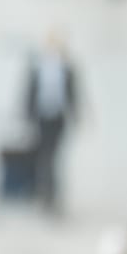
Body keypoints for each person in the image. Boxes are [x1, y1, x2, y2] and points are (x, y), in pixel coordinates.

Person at [23, 33, 81, 214]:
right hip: (41, 117)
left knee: (54, 157)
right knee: (42, 156)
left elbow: (73, 95)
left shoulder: (67, 69)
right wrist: (27, 116)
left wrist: (75, 116)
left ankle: (53, 194)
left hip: (58, 117)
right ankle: (43, 192)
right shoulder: (38, 67)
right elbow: (29, 92)